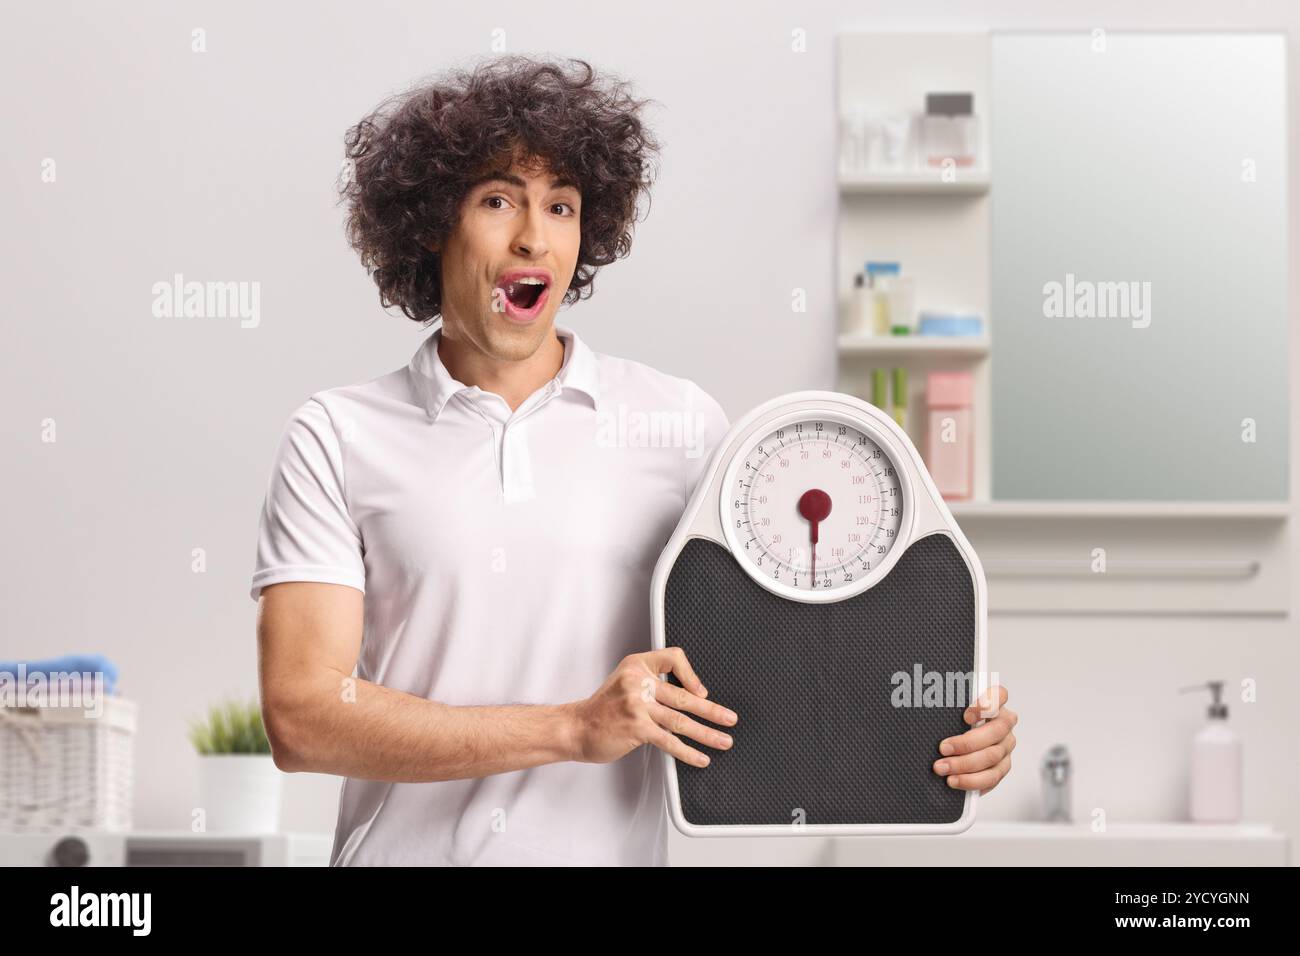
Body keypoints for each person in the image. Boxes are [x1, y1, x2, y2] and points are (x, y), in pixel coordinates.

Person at [250, 55, 1017, 866]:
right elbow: (303, 718)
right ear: (433, 224)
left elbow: (793, 665)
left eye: (561, 206)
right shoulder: (337, 435)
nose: (533, 237)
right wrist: (570, 728)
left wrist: (940, 733)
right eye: (498, 200)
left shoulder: (678, 426)